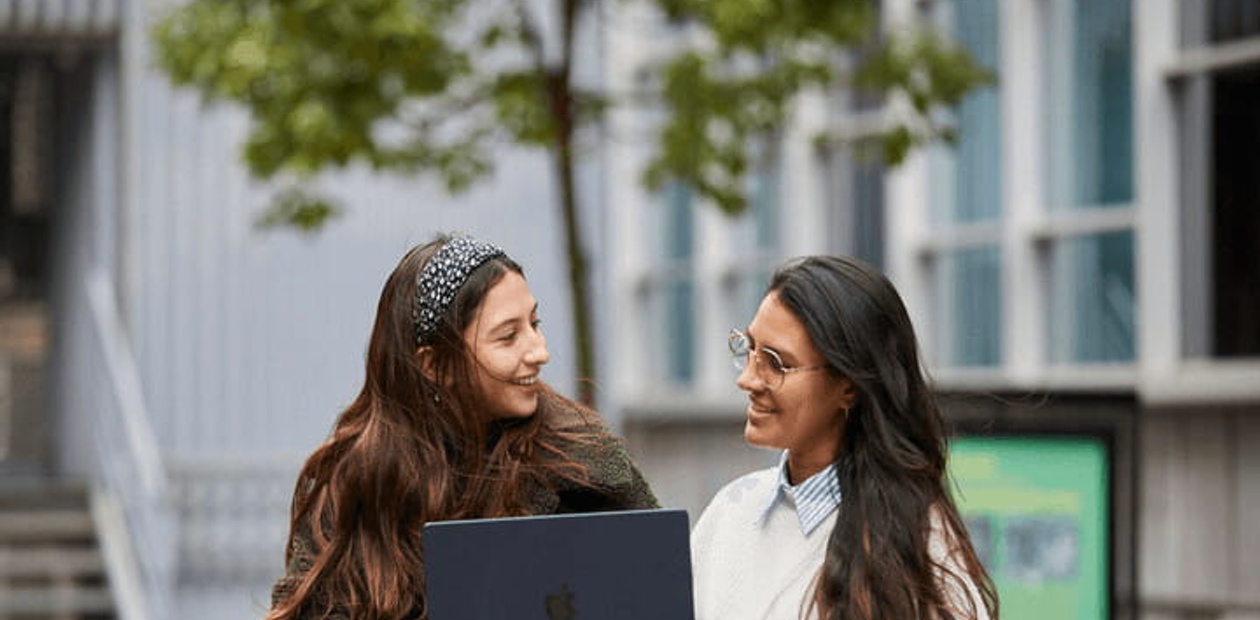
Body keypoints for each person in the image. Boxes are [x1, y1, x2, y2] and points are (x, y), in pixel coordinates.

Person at [265, 234, 659, 620]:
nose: (540, 351)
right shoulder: (357, 482)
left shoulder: (583, 457)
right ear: (433, 365)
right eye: (508, 337)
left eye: (535, 324)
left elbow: (661, 585)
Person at [690, 254, 998, 620]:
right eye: (750, 349)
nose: (749, 380)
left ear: (849, 386)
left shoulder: (918, 544)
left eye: (776, 362)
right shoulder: (730, 512)